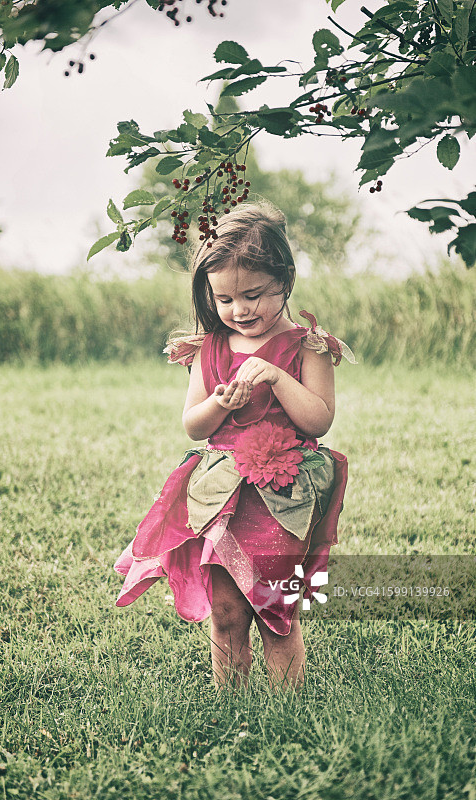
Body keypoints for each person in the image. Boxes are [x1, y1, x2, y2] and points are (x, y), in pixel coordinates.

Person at [113, 202, 356, 692]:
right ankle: (231, 701)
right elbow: (194, 426)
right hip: (222, 495)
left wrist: (275, 376)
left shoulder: (308, 346)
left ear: (285, 282)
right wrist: (221, 403)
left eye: (253, 295)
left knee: (274, 609)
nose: (240, 310)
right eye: (224, 299)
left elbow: (320, 419)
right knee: (225, 610)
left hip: (282, 494)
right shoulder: (210, 348)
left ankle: (288, 704)